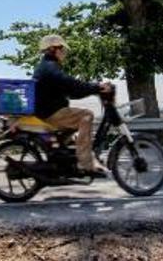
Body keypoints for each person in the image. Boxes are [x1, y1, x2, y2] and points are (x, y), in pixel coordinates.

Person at [33, 34, 112, 176]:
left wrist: (92, 89)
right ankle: (86, 163)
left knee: (74, 121)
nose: (65, 52)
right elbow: (72, 84)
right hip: (51, 114)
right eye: (62, 49)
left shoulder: (46, 66)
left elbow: (72, 91)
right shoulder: (50, 68)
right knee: (86, 115)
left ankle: (68, 157)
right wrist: (97, 87)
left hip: (48, 111)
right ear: (53, 49)